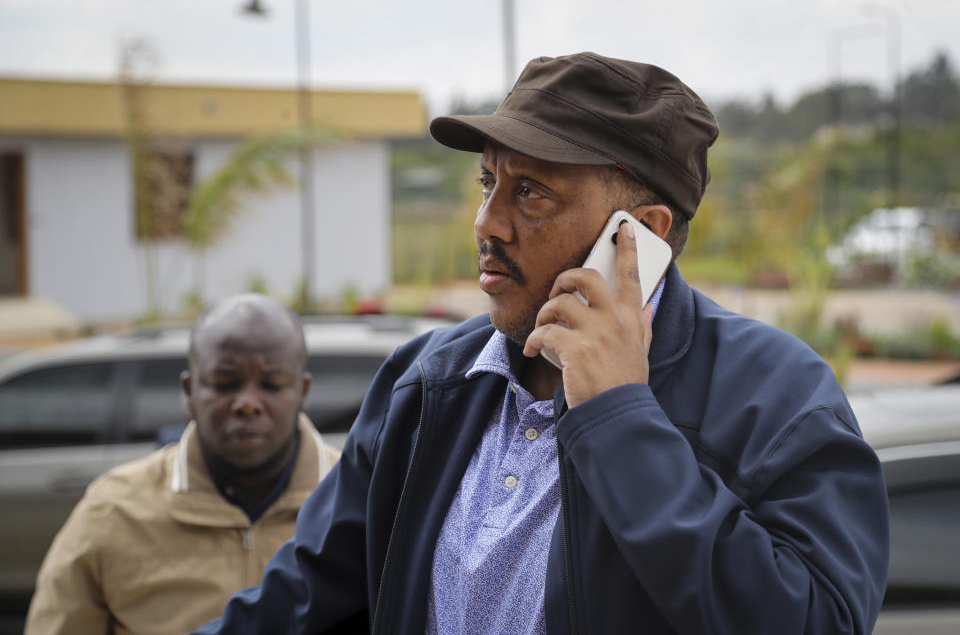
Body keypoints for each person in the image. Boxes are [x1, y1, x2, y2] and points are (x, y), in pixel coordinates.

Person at [196, 53, 889, 634]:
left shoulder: (777, 397)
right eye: (488, 182)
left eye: (530, 193)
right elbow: (298, 602)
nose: (486, 223)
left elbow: (817, 620)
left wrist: (620, 419)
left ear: (638, 233)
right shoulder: (427, 382)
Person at [25, 293, 341, 634]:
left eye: (272, 384)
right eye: (225, 383)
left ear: (303, 391)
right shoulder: (112, 511)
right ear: (189, 391)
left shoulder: (358, 504)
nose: (248, 404)